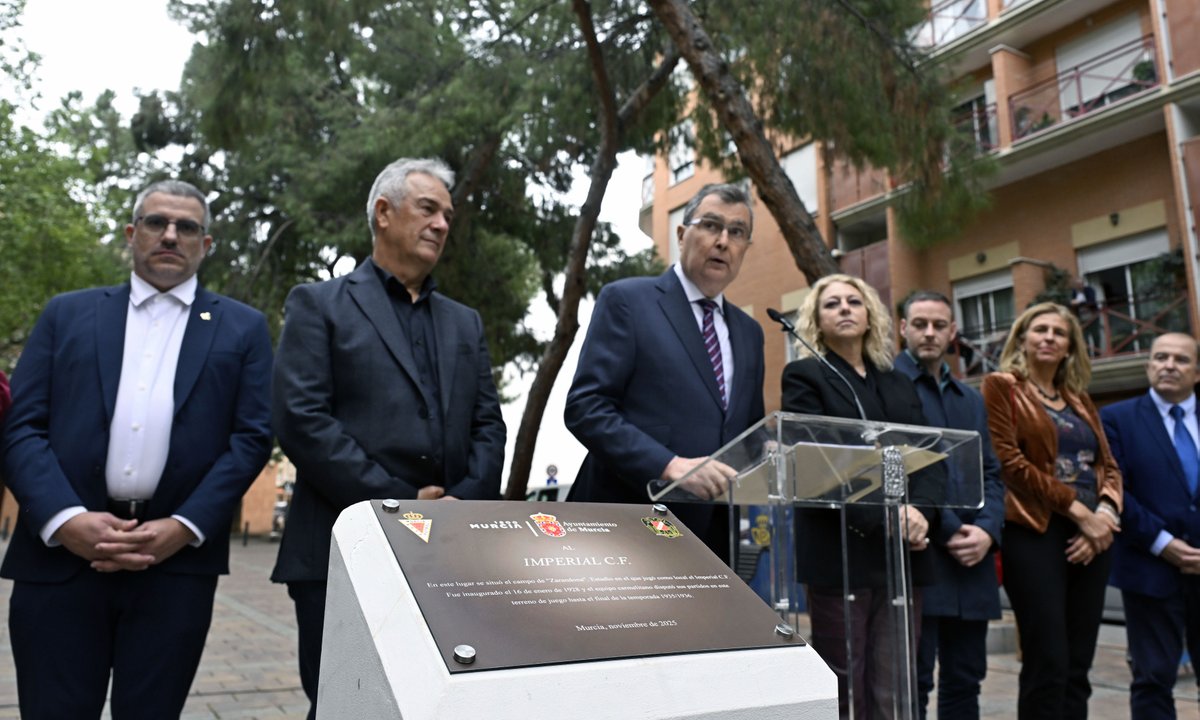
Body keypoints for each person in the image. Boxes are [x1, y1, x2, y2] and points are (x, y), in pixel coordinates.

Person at [0, 179, 274, 719]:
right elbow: (22, 426)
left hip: (173, 569)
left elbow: (250, 439)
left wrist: (186, 525)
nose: (170, 235)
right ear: (131, 233)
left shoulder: (243, 329)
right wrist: (63, 518)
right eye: (156, 222)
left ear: (207, 244)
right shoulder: (66, 314)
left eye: (187, 227)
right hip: (60, 564)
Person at [271, 157, 506, 719]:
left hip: (450, 552)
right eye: (428, 208)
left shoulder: (464, 322)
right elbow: (302, 418)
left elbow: (489, 424)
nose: (443, 224)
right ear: (383, 212)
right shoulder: (319, 304)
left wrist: (460, 505)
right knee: (346, 705)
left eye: (448, 215)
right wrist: (395, 502)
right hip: (342, 548)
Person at [564, 183, 765, 561]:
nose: (723, 241)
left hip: (712, 540)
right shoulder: (628, 301)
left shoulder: (750, 332)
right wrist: (667, 464)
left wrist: (771, 448)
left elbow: (748, 430)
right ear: (682, 233)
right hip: (628, 525)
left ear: (745, 248)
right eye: (711, 225)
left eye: (737, 232)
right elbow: (586, 408)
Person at [781, 273, 943, 719]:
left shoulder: (898, 383)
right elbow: (818, 464)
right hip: (840, 552)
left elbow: (930, 454)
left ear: (870, 313)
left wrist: (922, 514)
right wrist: (887, 517)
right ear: (817, 318)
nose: (845, 308)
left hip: (903, 556)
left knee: (895, 685)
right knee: (844, 682)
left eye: (854, 300)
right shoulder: (804, 375)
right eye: (832, 304)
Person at [981, 302, 1122, 720]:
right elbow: (1009, 462)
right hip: (1035, 532)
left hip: (1093, 537)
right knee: (1049, 660)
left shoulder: (1078, 400)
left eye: (1058, 333)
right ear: (1022, 339)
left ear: (1069, 348)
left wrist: (1107, 516)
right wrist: (1081, 512)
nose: (1048, 337)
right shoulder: (1001, 385)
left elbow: (1108, 465)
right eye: (1039, 329)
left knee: (1079, 664)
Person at [895, 291, 1004, 720]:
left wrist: (989, 530)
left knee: (966, 679)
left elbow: (991, 472)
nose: (929, 333)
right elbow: (897, 471)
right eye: (919, 323)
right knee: (914, 681)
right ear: (902, 328)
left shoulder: (970, 398)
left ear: (953, 332)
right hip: (918, 555)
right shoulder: (887, 386)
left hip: (973, 556)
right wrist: (951, 527)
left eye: (939, 325)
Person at [1102, 332, 1200, 719]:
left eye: (1180, 359)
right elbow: (1115, 488)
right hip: (1150, 567)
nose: (1169, 365)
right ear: (1148, 366)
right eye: (1160, 357)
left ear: (1196, 371)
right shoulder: (1117, 419)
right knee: (1153, 677)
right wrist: (1164, 544)